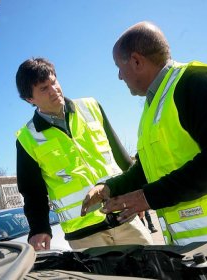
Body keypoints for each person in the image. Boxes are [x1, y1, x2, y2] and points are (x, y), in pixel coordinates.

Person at [81, 21, 207, 245]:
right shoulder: (153, 107)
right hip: (201, 250)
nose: (119, 76)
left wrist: (148, 197)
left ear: (136, 61)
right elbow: (149, 168)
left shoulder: (194, 81)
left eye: (119, 66)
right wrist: (110, 188)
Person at [15, 57, 153, 250]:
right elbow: (32, 192)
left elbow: (122, 159)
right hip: (84, 235)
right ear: (30, 99)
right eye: (44, 89)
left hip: (124, 216)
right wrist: (39, 228)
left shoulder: (91, 107)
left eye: (54, 82)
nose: (54, 90)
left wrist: (140, 195)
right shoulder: (26, 138)